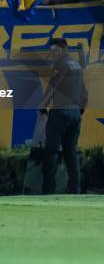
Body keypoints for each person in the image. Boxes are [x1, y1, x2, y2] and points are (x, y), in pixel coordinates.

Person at [41, 38, 87, 194]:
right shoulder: (77, 65)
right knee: (71, 151)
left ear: (63, 50)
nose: (53, 54)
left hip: (61, 112)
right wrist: (80, 110)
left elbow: (52, 87)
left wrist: (42, 107)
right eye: (51, 51)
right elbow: (83, 90)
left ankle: (48, 190)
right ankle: (75, 190)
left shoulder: (61, 64)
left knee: (51, 150)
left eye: (55, 50)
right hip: (75, 113)